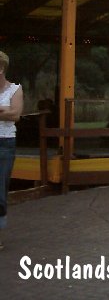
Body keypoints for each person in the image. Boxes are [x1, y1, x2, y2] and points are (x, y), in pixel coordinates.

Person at [0, 51, 23, 251]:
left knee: (1, 188)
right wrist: (3, 111)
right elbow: (8, 112)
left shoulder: (15, 89)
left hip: (5, 142)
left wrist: (7, 113)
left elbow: (15, 114)